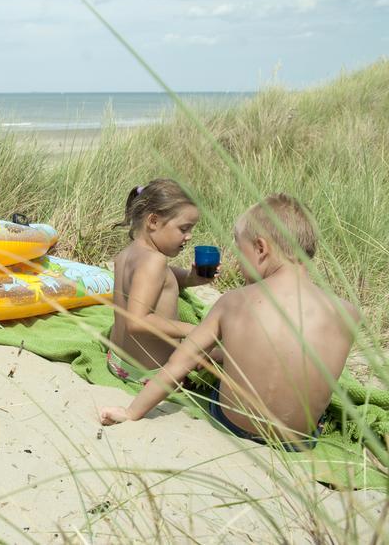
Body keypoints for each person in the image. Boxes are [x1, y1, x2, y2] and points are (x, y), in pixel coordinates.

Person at [100, 194, 360, 450]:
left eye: (240, 249)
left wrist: (131, 412)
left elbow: (178, 364)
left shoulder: (232, 302)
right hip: (298, 441)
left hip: (234, 424)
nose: (238, 260)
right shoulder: (348, 313)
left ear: (260, 249)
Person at [107, 179, 218, 384]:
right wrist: (193, 330)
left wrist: (191, 278)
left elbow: (158, 279)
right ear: (153, 221)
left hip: (118, 362)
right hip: (151, 375)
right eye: (184, 228)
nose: (189, 236)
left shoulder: (129, 253)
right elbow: (137, 322)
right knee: (225, 351)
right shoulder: (154, 261)